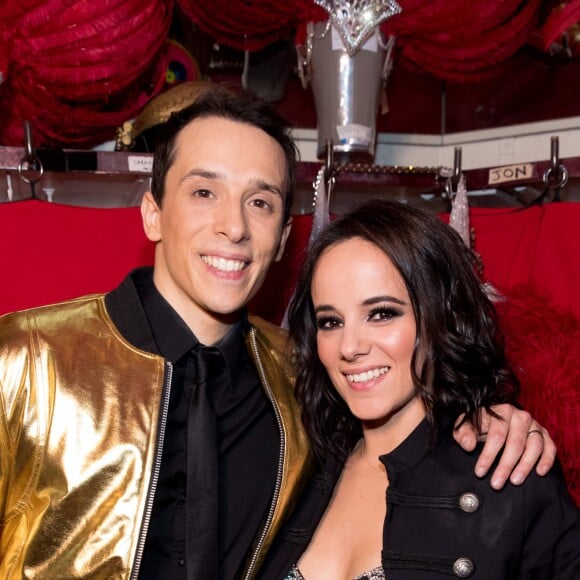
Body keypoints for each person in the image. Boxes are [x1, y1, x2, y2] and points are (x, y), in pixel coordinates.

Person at [0, 89, 558, 580]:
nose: (235, 226)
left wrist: (488, 415)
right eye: (204, 193)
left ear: (285, 234)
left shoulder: (303, 378)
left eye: (261, 202)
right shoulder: (25, 360)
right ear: (152, 213)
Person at [257, 197, 580, 579]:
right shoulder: (291, 466)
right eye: (330, 321)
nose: (349, 347)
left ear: (438, 317)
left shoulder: (508, 471)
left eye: (381, 314)